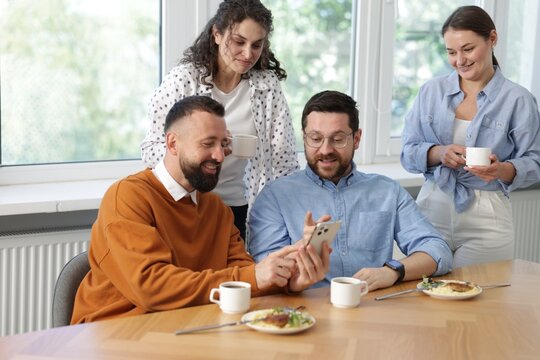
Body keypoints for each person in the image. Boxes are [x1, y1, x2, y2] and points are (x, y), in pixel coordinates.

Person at [71, 96, 328, 324]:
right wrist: (254, 277)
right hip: (116, 331)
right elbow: (151, 287)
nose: (219, 155)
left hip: (187, 326)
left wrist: (288, 279)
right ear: (173, 144)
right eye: (208, 143)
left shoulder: (216, 209)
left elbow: (244, 277)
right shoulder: (128, 197)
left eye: (223, 143)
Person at [248, 90, 452, 291]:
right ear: (304, 138)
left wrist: (392, 271)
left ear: (356, 138)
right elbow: (265, 273)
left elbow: (436, 250)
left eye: (337, 139)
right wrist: (304, 248)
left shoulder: (387, 191)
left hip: (371, 308)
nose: (326, 149)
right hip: (306, 312)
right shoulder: (275, 196)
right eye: (316, 138)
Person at [140, 0, 299, 240]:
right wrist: (204, 146)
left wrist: (286, 220)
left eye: (257, 45)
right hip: (186, 206)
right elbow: (152, 151)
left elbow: (284, 162)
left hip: (240, 207)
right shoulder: (184, 80)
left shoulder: (267, 86)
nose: (248, 54)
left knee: (236, 274)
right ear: (217, 34)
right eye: (238, 42)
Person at [401, 6, 540, 268]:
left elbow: (535, 162)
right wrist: (438, 153)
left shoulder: (518, 99)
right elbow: (407, 152)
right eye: (451, 52)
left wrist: (501, 170)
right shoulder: (431, 91)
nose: (460, 60)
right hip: (431, 208)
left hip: (487, 217)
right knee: (425, 300)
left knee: (480, 303)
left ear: (492, 39)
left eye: (468, 49)